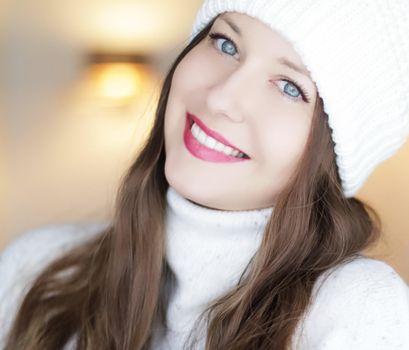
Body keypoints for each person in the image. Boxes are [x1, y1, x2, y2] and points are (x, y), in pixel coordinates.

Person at [1, 0, 409, 349]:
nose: (221, 97)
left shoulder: (360, 310)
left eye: (289, 87)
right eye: (226, 43)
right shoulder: (37, 268)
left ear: (332, 154)